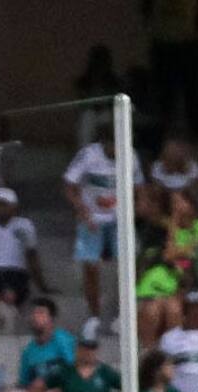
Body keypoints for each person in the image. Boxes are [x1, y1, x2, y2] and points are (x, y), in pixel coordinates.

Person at [62, 131, 144, 331]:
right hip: (93, 217)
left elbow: (140, 188)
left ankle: (123, 314)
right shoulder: (88, 155)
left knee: (129, 265)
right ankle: (94, 316)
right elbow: (69, 185)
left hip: (119, 218)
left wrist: (136, 210)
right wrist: (82, 210)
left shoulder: (131, 156)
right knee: (90, 266)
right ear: (104, 142)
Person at [0, 188, 51, 331]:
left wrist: (42, 285)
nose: (1, 208)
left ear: (14, 207)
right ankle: (2, 309)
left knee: (13, 287)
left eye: (5, 204)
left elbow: (32, 256)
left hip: (16, 271)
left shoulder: (24, 225)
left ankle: (4, 309)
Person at [140, 0, 198, 141]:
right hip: (163, 44)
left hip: (189, 42)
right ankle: (162, 139)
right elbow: (146, 8)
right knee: (163, 97)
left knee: (195, 94)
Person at [0, 297, 75, 392]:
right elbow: (23, 382)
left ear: (51, 319)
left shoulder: (63, 340)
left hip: (63, 389)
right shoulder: (29, 351)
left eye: (40, 313)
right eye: (33, 313)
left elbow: (74, 370)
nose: (35, 317)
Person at [135, 186, 181, 348]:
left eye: (152, 202)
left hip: (167, 279)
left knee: (173, 309)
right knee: (153, 310)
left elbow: (171, 255)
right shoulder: (137, 224)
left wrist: (174, 219)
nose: (148, 205)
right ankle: (148, 351)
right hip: (146, 280)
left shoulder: (171, 228)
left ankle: (171, 353)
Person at [42, 331, 120, 392]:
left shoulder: (106, 372)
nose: (88, 352)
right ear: (77, 349)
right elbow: (37, 388)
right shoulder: (65, 371)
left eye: (92, 348)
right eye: (85, 348)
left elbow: (131, 389)